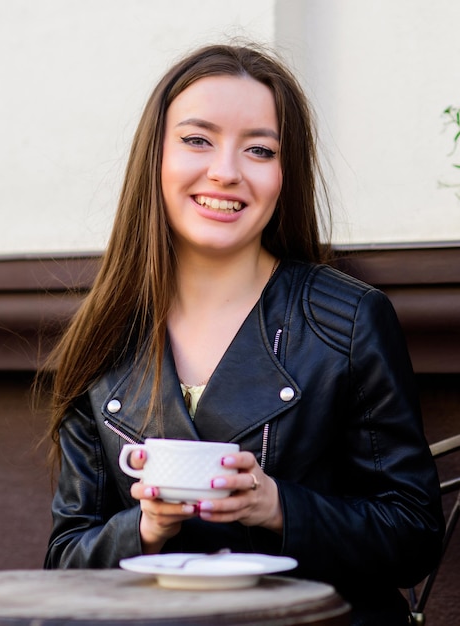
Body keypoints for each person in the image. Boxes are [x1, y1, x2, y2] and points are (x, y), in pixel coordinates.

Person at [42, 43, 444, 625]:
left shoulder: (349, 320)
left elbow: (414, 535)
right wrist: (145, 527)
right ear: (155, 158)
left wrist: (276, 505)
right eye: (197, 140)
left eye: (260, 149)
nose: (226, 171)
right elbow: (65, 560)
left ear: (285, 175)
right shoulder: (105, 334)